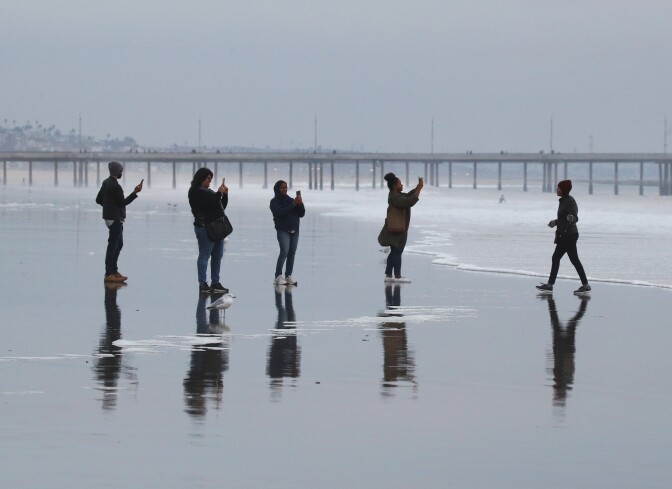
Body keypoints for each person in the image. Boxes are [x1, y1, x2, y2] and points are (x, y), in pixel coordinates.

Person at [536, 179, 591, 295]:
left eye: (558, 187)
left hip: (570, 235)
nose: (557, 189)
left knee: (572, 260)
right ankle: (550, 285)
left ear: (564, 189)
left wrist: (572, 218)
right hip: (564, 234)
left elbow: (575, 217)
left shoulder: (570, 201)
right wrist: (555, 222)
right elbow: (563, 218)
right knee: (557, 258)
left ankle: (585, 285)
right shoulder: (563, 201)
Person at [95, 161, 143, 283]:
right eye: (121, 171)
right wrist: (135, 192)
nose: (122, 173)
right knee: (113, 246)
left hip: (109, 217)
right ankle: (109, 273)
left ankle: (114, 271)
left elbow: (98, 200)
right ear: (119, 172)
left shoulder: (106, 182)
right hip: (115, 219)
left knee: (118, 244)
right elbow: (122, 203)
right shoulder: (115, 186)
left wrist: (108, 207)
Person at [188, 168, 229, 294]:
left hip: (217, 227)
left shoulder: (209, 191)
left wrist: (225, 195)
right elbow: (208, 205)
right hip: (204, 227)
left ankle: (215, 282)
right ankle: (203, 283)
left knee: (217, 256)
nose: (209, 181)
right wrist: (218, 193)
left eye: (210, 179)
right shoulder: (195, 192)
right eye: (207, 179)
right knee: (204, 255)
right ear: (200, 178)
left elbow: (220, 206)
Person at [378, 172, 423, 283]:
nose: (402, 185)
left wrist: (417, 188)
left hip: (396, 228)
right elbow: (409, 201)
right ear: (394, 186)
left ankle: (389, 275)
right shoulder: (395, 197)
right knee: (397, 252)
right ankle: (397, 276)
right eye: (400, 184)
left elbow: (407, 196)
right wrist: (419, 189)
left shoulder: (395, 195)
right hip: (397, 230)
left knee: (394, 252)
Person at [270, 180, 305, 286]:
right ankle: (278, 276)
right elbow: (280, 212)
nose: (284, 189)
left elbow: (301, 214)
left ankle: (288, 275)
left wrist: (300, 204)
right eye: (282, 187)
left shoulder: (290, 200)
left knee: (292, 253)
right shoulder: (274, 201)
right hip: (283, 230)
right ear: (277, 189)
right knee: (284, 252)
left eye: (286, 187)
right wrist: (293, 204)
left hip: (295, 230)